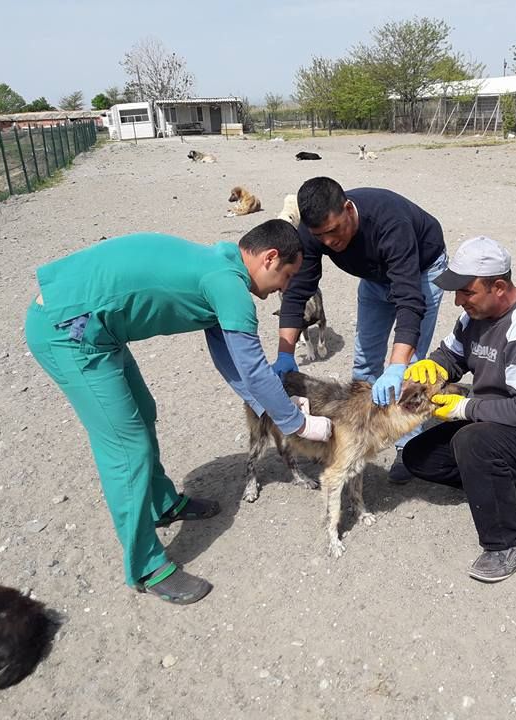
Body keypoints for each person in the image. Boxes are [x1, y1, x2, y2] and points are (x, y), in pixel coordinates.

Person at [25, 220, 332, 605]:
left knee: (143, 410)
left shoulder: (221, 266)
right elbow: (253, 368)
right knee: (127, 447)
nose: (284, 289)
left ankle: (161, 504)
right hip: (68, 330)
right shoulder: (229, 287)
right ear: (269, 258)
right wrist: (298, 423)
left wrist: (267, 405)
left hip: (95, 325)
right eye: (286, 276)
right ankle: (145, 567)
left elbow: (231, 360)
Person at [401, 236, 516, 583]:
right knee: (418, 456)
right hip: (499, 419)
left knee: (474, 443)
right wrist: (434, 367)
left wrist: (463, 408)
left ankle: (507, 544)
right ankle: (509, 478)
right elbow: (452, 356)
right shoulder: (474, 317)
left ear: (498, 287)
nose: (457, 300)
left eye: (466, 291)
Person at [272, 177, 447, 483]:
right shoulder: (313, 231)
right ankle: (360, 435)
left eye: (334, 231)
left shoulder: (390, 222)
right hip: (374, 278)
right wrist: (285, 354)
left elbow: (409, 300)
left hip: (421, 272)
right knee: (364, 360)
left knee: (411, 370)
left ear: (349, 209)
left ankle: (409, 446)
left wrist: (396, 366)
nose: (329, 242)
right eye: (320, 236)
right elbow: (298, 292)